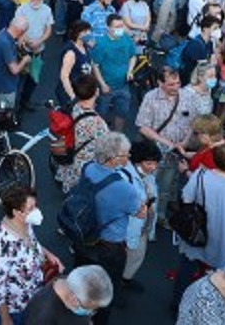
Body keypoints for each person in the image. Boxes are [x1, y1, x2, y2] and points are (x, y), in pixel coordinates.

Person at [71, 132, 145, 325]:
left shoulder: (87, 168)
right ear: (114, 159)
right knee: (103, 294)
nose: (129, 158)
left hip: (84, 237)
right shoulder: (124, 188)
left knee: (81, 285)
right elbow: (140, 212)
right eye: (126, 155)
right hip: (109, 248)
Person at [0, 187, 65, 325]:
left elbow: (32, 242)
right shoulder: (0, 244)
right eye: (31, 208)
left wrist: (47, 253)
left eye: (35, 205)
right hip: (14, 308)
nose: (36, 211)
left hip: (30, 298)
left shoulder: (24, 224)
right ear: (17, 212)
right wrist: (5, 318)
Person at [135, 66, 198, 225]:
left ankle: (164, 211)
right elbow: (143, 126)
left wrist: (184, 142)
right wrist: (168, 143)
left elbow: (193, 122)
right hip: (155, 152)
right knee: (153, 185)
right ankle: (150, 216)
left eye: (178, 83)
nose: (176, 87)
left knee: (169, 183)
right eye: (171, 84)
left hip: (177, 153)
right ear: (160, 83)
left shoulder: (187, 96)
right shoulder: (150, 98)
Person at [55, 75, 110, 193]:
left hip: (69, 162)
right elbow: (106, 150)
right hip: (86, 170)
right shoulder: (98, 124)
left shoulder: (72, 107)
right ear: (96, 92)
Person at [121, 140, 161, 291]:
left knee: (137, 256)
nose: (153, 167)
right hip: (128, 229)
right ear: (137, 160)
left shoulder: (148, 175)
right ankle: (119, 285)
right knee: (125, 258)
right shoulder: (125, 177)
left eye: (155, 163)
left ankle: (126, 279)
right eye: (149, 163)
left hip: (142, 226)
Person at [91, 14, 138, 131]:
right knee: (101, 114)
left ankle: (117, 137)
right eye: (117, 26)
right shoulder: (101, 44)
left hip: (123, 85)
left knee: (122, 113)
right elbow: (95, 65)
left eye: (121, 26)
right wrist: (102, 84)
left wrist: (130, 71)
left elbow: (133, 56)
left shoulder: (126, 39)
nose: (120, 29)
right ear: (108, 27)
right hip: (107, 86)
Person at [22, 265, 115, 324]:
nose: (91, 312)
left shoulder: (71, 282)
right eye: (89, 309)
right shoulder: (44, 315)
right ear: (73, 300)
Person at [0, 14, 32, 112]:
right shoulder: (5, 43)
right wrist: (25, 60)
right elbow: (15, 70)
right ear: (20, 31)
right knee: (3, 115)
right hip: (4, 87)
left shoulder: (2, 33)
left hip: (0, 82)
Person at [57, 20, 94, 104]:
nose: (88, 34)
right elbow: (64, 76)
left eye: (89, 31)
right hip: (72, 91)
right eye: (85, 31)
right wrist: (72, 97)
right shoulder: (71, 52)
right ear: (77, 33)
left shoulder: (84, 46)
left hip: (81, 90)